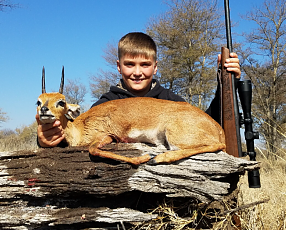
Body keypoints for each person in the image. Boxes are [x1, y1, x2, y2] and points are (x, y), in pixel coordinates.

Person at [37, 32, 241, 147]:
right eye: (129, 64)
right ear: (118, 66)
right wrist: (46, 139)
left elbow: (205, 125)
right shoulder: (105, 104)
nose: (137, 72)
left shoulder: (170, 101)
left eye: (144, 65)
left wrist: (226, 87)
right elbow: (79, 137)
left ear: (155, 66)